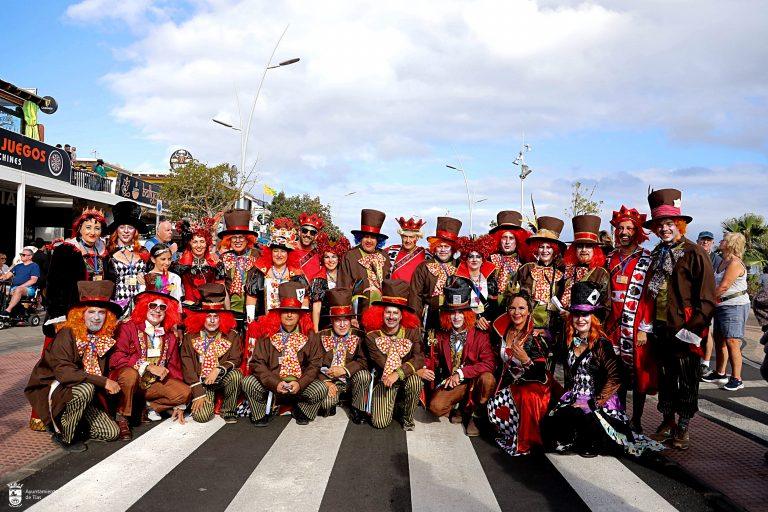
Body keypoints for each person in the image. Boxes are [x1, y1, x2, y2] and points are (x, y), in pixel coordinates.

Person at [541, 282, 663, 457]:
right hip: (573, 398)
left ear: (593, 318)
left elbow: (615, 378)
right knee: (551, 426)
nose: (580, 319)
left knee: (587, 427)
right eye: (576, 314)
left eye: (585, 314)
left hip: (599, 403)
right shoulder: (567, 340)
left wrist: (591, 403)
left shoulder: (602, 344)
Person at [643, 189, 716, 450]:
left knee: (686, 378)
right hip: (660, 326)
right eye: (660, 225)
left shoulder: (695, 253)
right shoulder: (657, 253)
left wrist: (693, 329)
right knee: (664, 377)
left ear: (680, 225)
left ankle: (683, 425)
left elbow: (708, 298)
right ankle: (667, 421)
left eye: (669, 223)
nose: (664, 229)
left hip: (685, 328)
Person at [25, 281, 122, 452]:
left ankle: (77, 421)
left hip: (84, 392)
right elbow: (64, 373)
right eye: (91, 312)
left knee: (111, 433)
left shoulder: (103, 337)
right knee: (87, 389)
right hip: (57, 389)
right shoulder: (66, 333)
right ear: (80, 314)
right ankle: (64, 435)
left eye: (101, 312)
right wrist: (103, 381)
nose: (97, 317)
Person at [241, 282, 327, 427]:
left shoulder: (309, 335)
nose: (289, 315)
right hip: (273, 384)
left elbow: (315, 364)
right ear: (279, 313)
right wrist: (275, 383)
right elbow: (257, 363)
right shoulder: (267, 334)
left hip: (299, 385)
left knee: (321, 389)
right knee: (248, 382)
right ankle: (261, 413)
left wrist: (300, 384)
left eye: (293, 311)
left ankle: (302, 409)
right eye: (285, 311)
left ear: (299, 314)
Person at [110, 286, 190, 440]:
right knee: (129, 374)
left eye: (162, 307)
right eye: (152, 305)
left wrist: (179, 404)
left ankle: (145, 408)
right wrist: (146, 366)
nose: (157, 310)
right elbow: (116, 357)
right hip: (128, 381)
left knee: (184, 392)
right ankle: (122, 418)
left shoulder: (170, 336)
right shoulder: (128, 327)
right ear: (143, 307)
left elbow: (174, 368)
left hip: (151, 386)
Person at [604, 206, 656, 432]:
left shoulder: (647, 258)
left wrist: (645, 328)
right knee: (617, 374)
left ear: (637, 231)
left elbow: (649, 296)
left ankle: (637, 418)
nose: (624, 232)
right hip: (613, 326)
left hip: (636, 325)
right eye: (620, 228)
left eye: (629, 228)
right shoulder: (609, 257)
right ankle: (620, 415)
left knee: (638, 374)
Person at [423, 280, 496, 437]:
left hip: (475, 381)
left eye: (461, 312)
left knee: (488, 379)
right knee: (435, 407)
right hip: (455, 384)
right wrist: (422, 368)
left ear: (469, 313)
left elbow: (489, 364)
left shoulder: (480, 334)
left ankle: (476, 415)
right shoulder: (440, 334)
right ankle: (461, 407)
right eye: (452, 313)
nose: (456, 317)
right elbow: (433, 359)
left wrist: (462, 373)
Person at [487, 290, 551, 456]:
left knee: (525, 395)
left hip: (533, 387)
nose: (517, 313)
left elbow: (540, 374)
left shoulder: (535, 337)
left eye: (522, 308)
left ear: (529, 311)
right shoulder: (502, 331)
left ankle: (524, 439)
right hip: (508, 383)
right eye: (512, 308)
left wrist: (525, 359)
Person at [363, 279, 424, 430]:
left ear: (402, 316)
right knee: (379, 423)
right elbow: (381, 362)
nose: (391, 317)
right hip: (384, 379)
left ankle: (407, 418)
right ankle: (395, 405)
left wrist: (400, 372)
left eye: (395, 313)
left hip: (405, 377)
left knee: (416, 381)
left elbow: (419, 357)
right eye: (388, 312)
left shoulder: (412, 332)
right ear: (381, 314)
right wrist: (401, 371)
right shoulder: (372, 336)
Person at [181, 283, 242, 423]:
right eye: (208, 316)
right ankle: (208, 401)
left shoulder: (232, 335)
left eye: (217, 316)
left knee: (236, 375)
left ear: (223, 318)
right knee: (201, 417)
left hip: (222, 378)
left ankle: (228, 410)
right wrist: (197, 392)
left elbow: (236, 358)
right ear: (201, 317)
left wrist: (219, 369)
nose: (213, 320)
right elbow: (187, 364)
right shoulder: (190, 336)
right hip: (200, 382)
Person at [312, 288, 371, 422]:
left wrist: (344, 370)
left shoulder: (360, 335)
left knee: (364, 375)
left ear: (351, 320)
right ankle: (335, 400)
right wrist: (326, 382)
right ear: (332, 321)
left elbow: (364, 361)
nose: (343, 325)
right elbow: (313, 363)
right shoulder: (321, 336)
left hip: (352, 380)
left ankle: (357, 407)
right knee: (326, 406)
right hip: (331, 381)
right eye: (338, 320)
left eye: (346, 320)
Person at [702, 232, 750, 391]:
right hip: (721, 306)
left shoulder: (735, 263)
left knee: (732, 341)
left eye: (723, 240)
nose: (720, 241)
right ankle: (720, 372)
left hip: (734, 306)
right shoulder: (724, 261)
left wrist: (705, 300)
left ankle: (737, 378)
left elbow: (723, 287)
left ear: (730, 243)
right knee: (720, 339)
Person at [245, 218, 309, 321]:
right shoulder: (261, 272)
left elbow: (304, 299)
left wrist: (303, 322)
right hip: (264, 323)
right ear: (270, 252)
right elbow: (251, 297)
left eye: (283, 251)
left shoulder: (297, 275)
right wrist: (251, 321)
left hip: (289, 325)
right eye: (275, 251)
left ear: (289, 254)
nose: (279, 255)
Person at [409, 216, 463, 335]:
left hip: (455, 316)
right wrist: (415, 321)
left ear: (453, 249)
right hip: (430, 316)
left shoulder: (460, 267)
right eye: (440, 246)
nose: (443, 250)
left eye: (447, 246)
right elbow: (415, 296)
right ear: (434, 247)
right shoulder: (423, 267)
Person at [337, 209, 391, 318]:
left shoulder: (384, 256)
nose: (369, 241)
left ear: (378, 240)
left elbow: (388, 285)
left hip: (382, 314)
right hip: (357, 314)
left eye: (373, 237)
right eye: (366, 236)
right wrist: (349, 317)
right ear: (360, 238)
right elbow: (343, 288)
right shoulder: (350, 256)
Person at [517, 216, 566, 335]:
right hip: (526, 324)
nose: (545, 251)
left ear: (554, 250)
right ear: (536, 249)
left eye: (549, 247)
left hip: (553, 326)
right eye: (541, 247)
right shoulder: (526, 269)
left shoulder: (562, 272)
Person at [560, 215, 610, 318]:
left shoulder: (600, 273)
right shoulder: (568, 270)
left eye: (588, 246)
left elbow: (605, 305)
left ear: (594, 250)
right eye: (580, 246)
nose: (583, 249)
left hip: (589, 327)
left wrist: (575, 315)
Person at [104, 201, 150, 311]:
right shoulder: (107, 253)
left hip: (142, 306)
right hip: (117, 307)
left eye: (130, 227)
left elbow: (160, 280)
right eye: (122, 227)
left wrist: (149, 281)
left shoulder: (144, 252)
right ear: (116, 229)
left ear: (135, 231)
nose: (126, 231)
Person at [217, 209, 262, 317]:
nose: (238, 241)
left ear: (247, 239)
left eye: (241, 237)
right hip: (229, 311)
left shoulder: (259, 256)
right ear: (228, 240)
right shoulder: (223, 258)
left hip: (254, 311)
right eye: (234, 238)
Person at [171, 218, 224, 306]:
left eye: (202, 241)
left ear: (207, 243)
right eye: (195, 242)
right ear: (189, 244)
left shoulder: (216, 264)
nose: (199, 246)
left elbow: (222, 289)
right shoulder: (178, 265)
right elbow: (171, 287)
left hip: (210, 310)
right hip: (188, 310)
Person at [309, 232, 351, 330]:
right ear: (322, 259)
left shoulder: (345, 276)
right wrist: (315, 330)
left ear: (339, 258)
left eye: (334, 256)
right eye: (327, 257)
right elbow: (317, 307)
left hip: (343, 323)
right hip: (325, 323)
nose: (330, 260)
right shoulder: (318, 278)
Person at [454, 234, 500, 322]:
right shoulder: (457, 280)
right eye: (471, 256)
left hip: (485, 324)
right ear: (465, 259)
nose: (475, 260)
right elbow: (456, 307)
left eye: (478, 256)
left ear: (483, 259)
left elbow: (494, 307)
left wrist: (485, 321)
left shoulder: (491, 281)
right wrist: (476, 320)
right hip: (466, 323)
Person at [488, 211, 531, 302]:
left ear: (517, 241)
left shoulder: (524, 262)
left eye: (511, 238)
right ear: (499, 240)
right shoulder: (490, 259)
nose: (507, 242)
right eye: (504, 238)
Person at [698, 230, 723, 373]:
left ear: (712, 242)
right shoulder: (693, 255)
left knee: (708, 332)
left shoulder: (717, 259)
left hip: (709, 301)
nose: (705, 242)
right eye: (703, 239)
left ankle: (705, 363)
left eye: (708, 240)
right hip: (694, 300)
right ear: (698, 241)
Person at [0, 247, 40, 318]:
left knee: (18, 289)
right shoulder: (18, 266)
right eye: (21, 254)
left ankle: (7, 311)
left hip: (28, 289)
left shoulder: (34, 266)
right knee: (3, 290)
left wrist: (21, 286)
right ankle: (18, 310)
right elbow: (6, 276)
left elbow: (33, 280)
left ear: (30, 256)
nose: (21, 256)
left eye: (23, 255)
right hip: (14, 288)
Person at [387, 216, 429, 282]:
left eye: (411, 237)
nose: (408, 240)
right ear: (401, 236)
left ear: (417, 238)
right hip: (392, 291)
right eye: (405, 237)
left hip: (416, 292)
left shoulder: (426, 254)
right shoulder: (390, 250)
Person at [288, 212, 325, 281]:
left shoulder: (319, 255)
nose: (308, 235)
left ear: (316, 236)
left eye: (312, 232)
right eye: (305, 231)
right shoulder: (288, 248)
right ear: (299, 232)